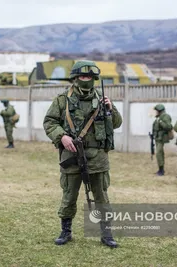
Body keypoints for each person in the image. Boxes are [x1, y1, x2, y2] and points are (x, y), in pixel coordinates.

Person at [43, 60, 122, 248]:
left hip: (97, 158)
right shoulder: (62, 100)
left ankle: (106, 234)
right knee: (69, 195)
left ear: (94, 78)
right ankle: (66, 231)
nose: (86, 79)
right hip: (72, 156)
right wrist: (61, 137)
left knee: (101, 196)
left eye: (89, 76)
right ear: (75, 78)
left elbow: (117, 123)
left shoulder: (102, 99)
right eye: (82, 76)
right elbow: (49, 122)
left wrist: (110, 108)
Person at [152, 104, 173, 176]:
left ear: (159, 110)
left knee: (159, 153)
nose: (155, 112)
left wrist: (160, 122)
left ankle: (161, 170)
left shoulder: (165, 116)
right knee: (159, 153)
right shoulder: (159, 117)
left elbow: (168, 126)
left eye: (156, 110)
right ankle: (160, 169)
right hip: (158, 138)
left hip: (161, 138)